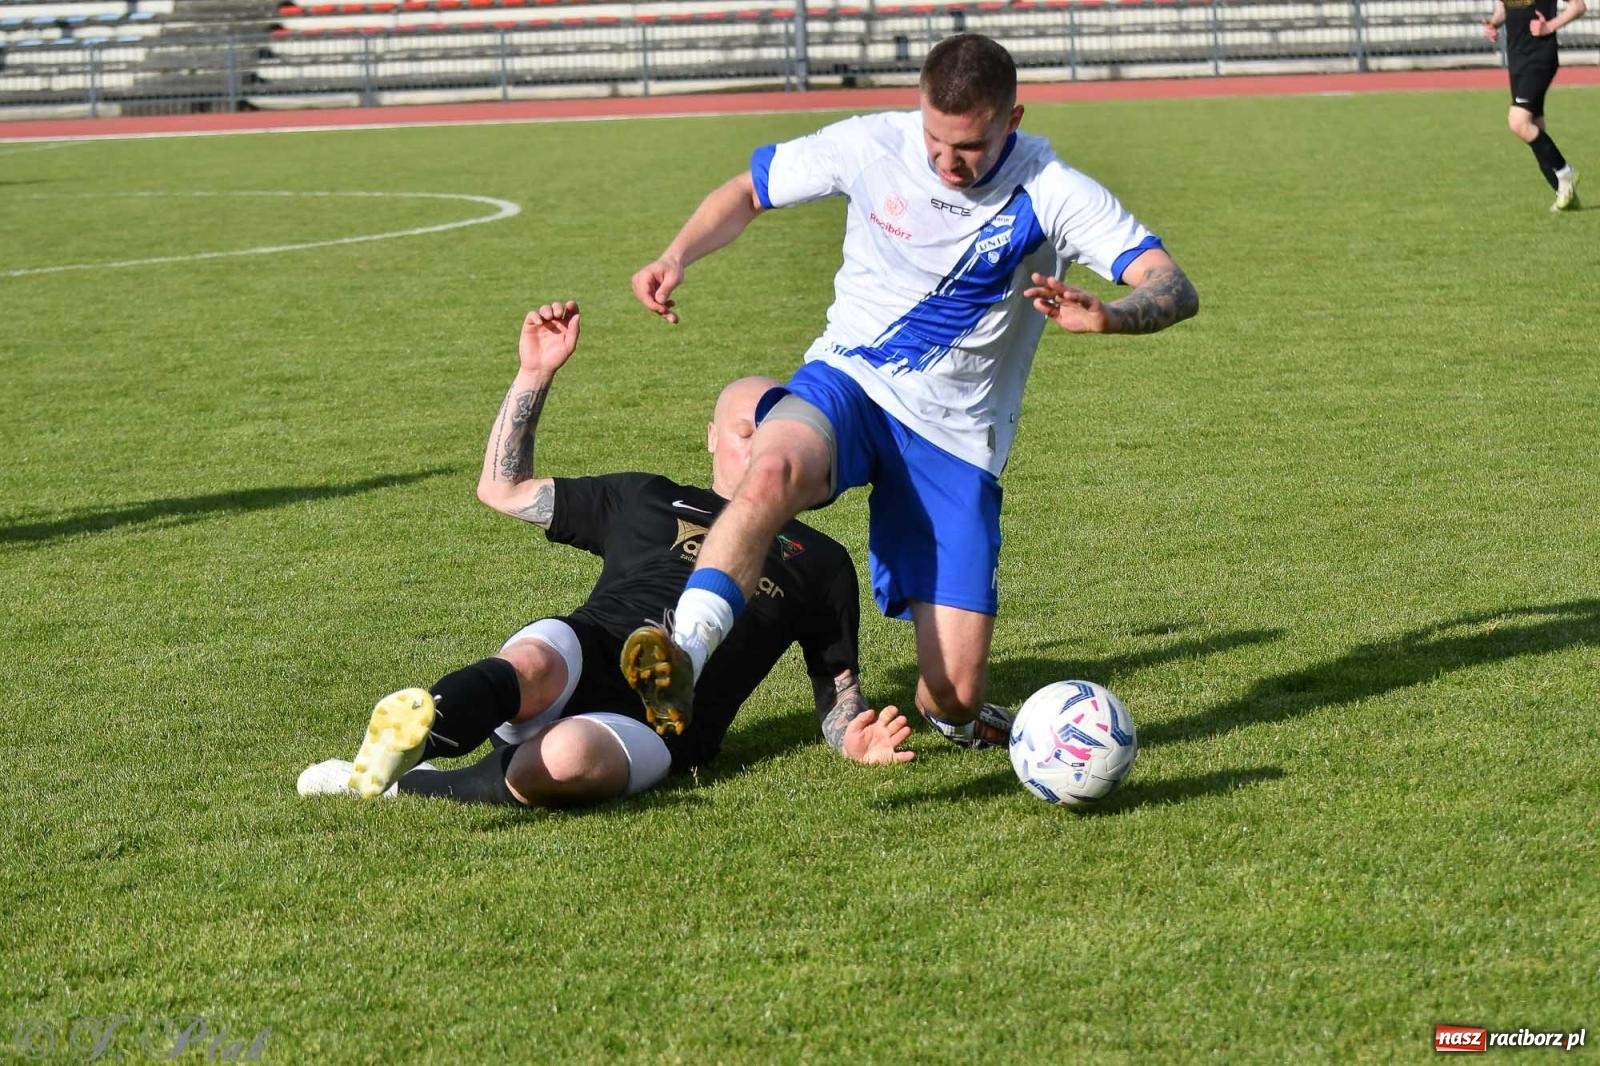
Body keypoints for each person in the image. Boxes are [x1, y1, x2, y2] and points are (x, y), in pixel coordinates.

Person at [620, 34, 1199, 749]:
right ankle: (685, 654)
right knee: (766, 471)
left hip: (955, 439)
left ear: (1011, 121)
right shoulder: (873, 145)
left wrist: (1113, 315)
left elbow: (1171, 283)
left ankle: (954, 721)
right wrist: (676, 255)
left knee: (953, 692)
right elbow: (749, 190)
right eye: (934, 139)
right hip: (851, 381)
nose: (947, 163)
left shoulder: (1050, 189)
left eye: (971, 148)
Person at [297, 300, 913, 808]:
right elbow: (502, 489)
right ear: (709, 437)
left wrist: (852, 739)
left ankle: (402, 785)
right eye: (745, 434)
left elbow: (837, 693)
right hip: (586, 650)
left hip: (665, 727)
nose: (760, 452)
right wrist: (535, 374)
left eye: (779, 437)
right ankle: (410, 737)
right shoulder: (648, 498)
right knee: (533, 662)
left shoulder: (821, 561)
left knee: (565, 758)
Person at [1484, 0, 1585, 210]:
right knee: (1535, 128)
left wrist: (1549, 26)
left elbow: (1578, 6)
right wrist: (1493, 23)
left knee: (1518, 122)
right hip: (1517, 58)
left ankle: (1566, 172)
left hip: (1540, 56)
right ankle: (1564, 194)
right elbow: (1504, 8)